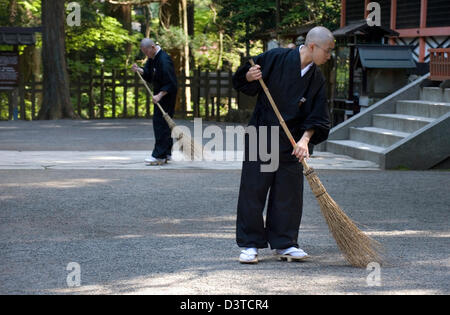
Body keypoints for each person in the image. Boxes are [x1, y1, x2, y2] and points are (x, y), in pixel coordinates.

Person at [233, 26, 334, 264]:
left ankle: (285, 243)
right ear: (312, 47)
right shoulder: (275, 57)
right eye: (328, 50)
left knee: (288, 193)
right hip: (262, 132)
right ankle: (250, 244)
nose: (330, 55)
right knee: (254, 189)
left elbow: (318, 116)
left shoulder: (316, 78)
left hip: (292, 141)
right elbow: (242, 78)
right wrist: (250, 76)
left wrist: (305, 140)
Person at [132, 39, 178, 165]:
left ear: (152, 47)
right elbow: (149, 74)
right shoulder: (153, 58)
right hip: (160, 95)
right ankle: (167, 153)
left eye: (146, 52)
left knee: (160, 124)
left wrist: (159, 95)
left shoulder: (164, 60)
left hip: (166, 95)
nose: (146, 55)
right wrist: (139, 70)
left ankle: (159, 156)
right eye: (144, 52)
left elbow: (171, 83)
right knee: (165, 125)